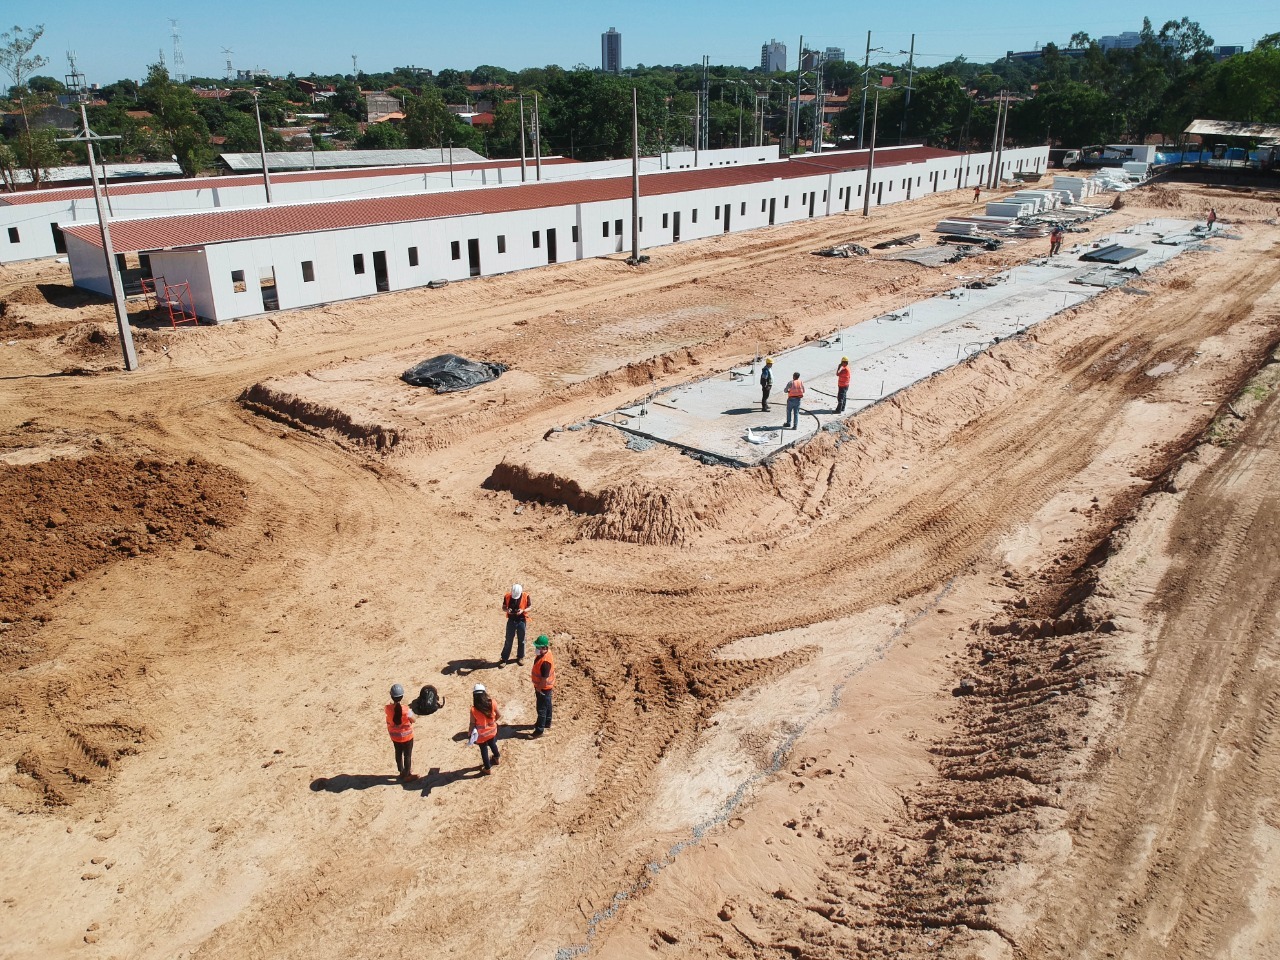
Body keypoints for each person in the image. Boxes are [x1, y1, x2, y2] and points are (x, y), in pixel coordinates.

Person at [385, 683, 418, 781]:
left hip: (394, 736)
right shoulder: (406, 709)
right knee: (407, 755)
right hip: (407, 737)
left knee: (398, 753)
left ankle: (401, 771)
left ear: (391, 696)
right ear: (402, 696)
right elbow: (414, 719)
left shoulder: (387, 708)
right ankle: (407, 775)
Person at [469, 683, 502, 774]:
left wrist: (470, 732)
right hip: (492, 731)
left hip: (481, 735)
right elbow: (499, 715)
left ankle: (487, 768)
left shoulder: (473, 710)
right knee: (493, 744)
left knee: (484, 751)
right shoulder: (492, 703)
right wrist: (493, 722)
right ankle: (497, 757)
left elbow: (472, 723)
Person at [530, 634, 555, 736]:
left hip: (543, 688)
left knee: (541, 709)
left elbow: (544, 680)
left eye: (538, 647)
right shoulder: (547, 653)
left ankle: (539, 730)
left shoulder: (545, 662)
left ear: (544, 648)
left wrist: (538, 689)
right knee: (547, 705)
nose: (536, 649)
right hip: (547, 688)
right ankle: (547, 722)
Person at [501, 583, 531, 666]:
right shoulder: (507, 596)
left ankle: (520, 657)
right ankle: (504, 658)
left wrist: (523, 610)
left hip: (521, 620)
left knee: (522, 640)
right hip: (511, 621)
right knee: (508, 640)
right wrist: (507, 610)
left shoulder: (526, 596)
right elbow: (503, 607)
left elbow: (530, 607)